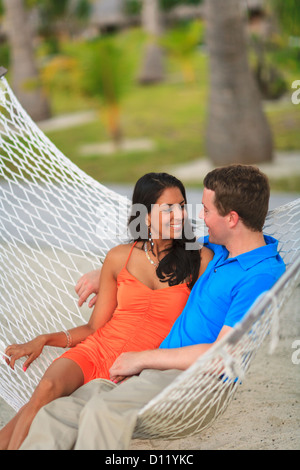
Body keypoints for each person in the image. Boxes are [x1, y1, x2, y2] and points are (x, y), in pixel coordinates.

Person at [19, 165, 286, 450]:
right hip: (148, 372)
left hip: (188, 379)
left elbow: (223, 356)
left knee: (103, 413)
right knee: (57, 414)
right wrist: (109, 272)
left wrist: (142, 358)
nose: (196, 218)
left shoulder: (259, 275)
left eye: (205, 211)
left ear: (232, 218)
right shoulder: (222, 248)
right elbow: (168, 249)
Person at [0, 173, 213, 451]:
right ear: (146, 217)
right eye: (168, 209)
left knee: (49, 411)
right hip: (96, 350)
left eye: (182, 205)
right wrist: (45, 339)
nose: (180, 215)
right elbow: (93, 328)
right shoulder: (118, 257)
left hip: (135, 366)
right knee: (46, 390)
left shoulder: (199, 259)